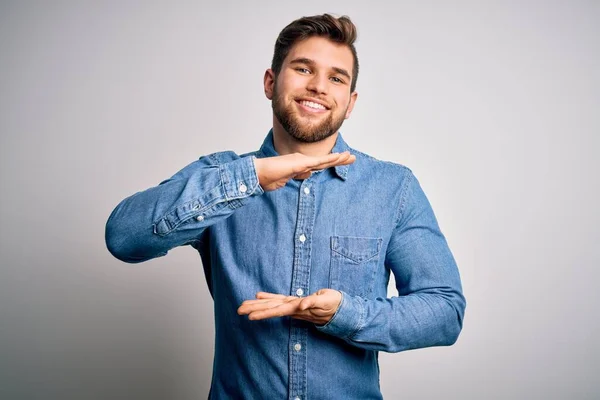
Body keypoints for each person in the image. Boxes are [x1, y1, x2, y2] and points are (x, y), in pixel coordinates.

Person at [105, 13, 466, 400]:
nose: (318, 87)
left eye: (336, 78)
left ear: (350, 102)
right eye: (303, 68)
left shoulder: (394, 188)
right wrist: (251, 178)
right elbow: (124, 237)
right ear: (270, 82)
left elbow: (444, 312)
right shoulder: (219, 176)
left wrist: (342, 314)